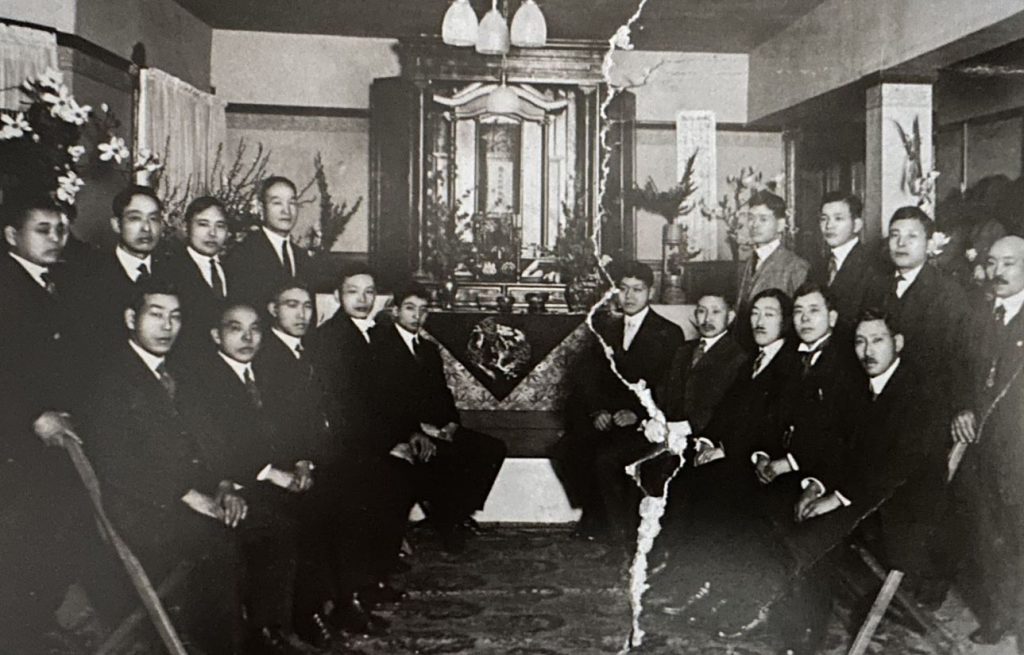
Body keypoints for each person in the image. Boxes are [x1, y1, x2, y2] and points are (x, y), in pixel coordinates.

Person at [80, 280, 248, 654]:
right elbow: (118, 464)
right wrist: (188, 496)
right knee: (219, 543)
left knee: (257, 521)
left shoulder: (179, 373)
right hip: (141, 510)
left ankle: (245, 639)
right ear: (130, 318)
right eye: (156, 315)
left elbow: (210, 439)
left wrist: (223, 484)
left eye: (175, 317)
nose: (167, 326)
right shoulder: (110, 380)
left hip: (185, 498)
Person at [0, 195, 116, 652]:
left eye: (61, 229)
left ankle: (37, 624)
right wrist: (31, 417)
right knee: (21, 536)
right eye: (41, 229)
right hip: (15, 439)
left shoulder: (62, 283)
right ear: (11, 236)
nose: (54, 238)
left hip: (61, 435)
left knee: (59, 531)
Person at [181, 303, 317, 653]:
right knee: (280, 525)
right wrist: (270, 473)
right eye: (235, 329)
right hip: (225, 482)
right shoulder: (202, 379)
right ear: (216, 335)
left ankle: (308, 614)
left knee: (325, 500)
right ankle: (267, 630)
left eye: (255, 329)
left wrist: (301, 462)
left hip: (259, 478)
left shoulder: (264, 373)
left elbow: (289, 430)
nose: (247, 338)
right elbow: (215, 448)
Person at [371, 282, 507, 553]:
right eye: (410, 309)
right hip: (400, 431)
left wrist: (452, 423)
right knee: (445, 458)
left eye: (423, 311)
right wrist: (419, 430)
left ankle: (455, 514)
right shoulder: (379, 345)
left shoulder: (428, 349)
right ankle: (450, 523)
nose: (416, 316)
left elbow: (442, 392)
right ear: (396, 311)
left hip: (434, 427)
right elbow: (383, 400)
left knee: (492, 449)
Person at [558, 261, 684, 546]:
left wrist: (638, 415)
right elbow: (587, 378)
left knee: (606, 459)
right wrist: (597, 410)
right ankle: (596, 513)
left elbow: (668, 388)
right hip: (608, 421)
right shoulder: (603, 328)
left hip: (645, 426)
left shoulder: (668, 333)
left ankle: (619, 537)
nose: (629, 297)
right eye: (623, 289)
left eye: (637, 290)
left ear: (650, 292)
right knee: (567, 449)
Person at [308, 264, 405, 630]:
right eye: (353, 292)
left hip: (369, 442)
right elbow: (343, 407)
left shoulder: (378, 334)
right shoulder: (330, 337)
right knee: (362, 495)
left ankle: (371, 581)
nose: (362, 300)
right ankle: (351, 598)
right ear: (337, 296)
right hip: (343, 445)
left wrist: (401, 439)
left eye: (369, 292)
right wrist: (386, 447)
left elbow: (389, 398)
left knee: (396, 485)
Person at [950, 235, 1024, 648]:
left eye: (1009, 264)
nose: (998, 272)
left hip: (1019, 450)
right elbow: (958, 368)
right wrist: (962, 406)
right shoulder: (977, 312)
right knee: (984, 534)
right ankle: (998, 614)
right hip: (978, 447)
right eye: (993, 263)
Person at [751, 282, 862, 499]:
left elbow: (841, 434)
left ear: (832, 318)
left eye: (814, 311)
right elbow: (771, 415)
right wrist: (762, 454)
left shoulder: (847, 364)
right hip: (776, 466)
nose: (804, 319)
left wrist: (791, 462)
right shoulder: (789, 358)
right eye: (798, 311)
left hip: (819, 474)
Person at [65, 185, 166, 354]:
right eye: (135, 218)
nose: (147, 228)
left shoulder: (175, 272)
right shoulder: (89, 276)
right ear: (116, 224)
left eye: (153, 219)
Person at [659, 293, 748, 435]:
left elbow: (729, 408)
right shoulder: (683, 350)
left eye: (716, 311)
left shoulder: (738, 357)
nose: (707, 319)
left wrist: (689, 426)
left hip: (707, 440)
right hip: (669, 435)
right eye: (701, 311)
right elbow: (664, 392)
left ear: (730, 317)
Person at [225, 176, 312, 315]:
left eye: (292, 203)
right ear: (261, 208)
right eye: (277, 203)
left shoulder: (302, 257)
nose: (286, 211)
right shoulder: (243, 255)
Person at [162, 196, 233, 360]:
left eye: (220, 226)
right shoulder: (170, 270)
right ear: (186, 227)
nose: (212, 233)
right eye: (203, 224)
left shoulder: (234, 271)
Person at [811, 192, 877, 338]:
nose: (829, 226)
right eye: (824, 219)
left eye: (838, 218)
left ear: (857, 225)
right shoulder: (818, 267)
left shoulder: (873, 266)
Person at [735, 191, 809, 318]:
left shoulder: (796, 266)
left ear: (780, 225)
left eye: (763, 219)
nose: (754, 225)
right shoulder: (747, 263)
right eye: (751, 218)